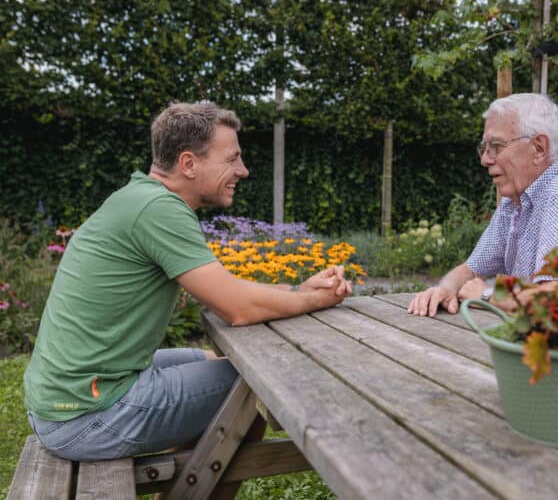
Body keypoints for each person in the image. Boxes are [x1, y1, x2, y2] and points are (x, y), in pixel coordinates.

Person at [24, 101, 352, 462]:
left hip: (65, 400)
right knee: (255, 384)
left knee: (212, 360)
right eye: (231, 159)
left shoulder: (139, 197)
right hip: (85, 414)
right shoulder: (159, 210)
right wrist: (317, 301)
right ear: (189, 164)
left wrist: (299, 290)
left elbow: (223, 287)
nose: (242, 171)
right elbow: (238, 309)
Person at [408, 93, 558, 317]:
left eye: (495, 146)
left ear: (539, 148)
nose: (485, 159)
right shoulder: (515, 201)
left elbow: (555, 300)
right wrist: (445, 289)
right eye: (484, 147)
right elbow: (471, 269)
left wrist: (487, 296)